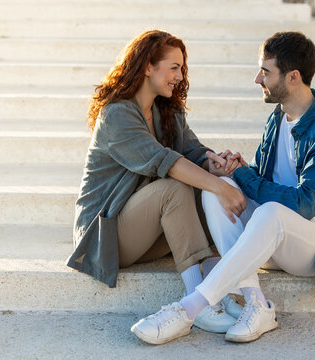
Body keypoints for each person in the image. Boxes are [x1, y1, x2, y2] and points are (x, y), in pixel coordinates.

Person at [131, 31, 315, 345]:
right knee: (217, 189)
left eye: (266, 72)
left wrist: (246, 178)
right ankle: (257, 304)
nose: (257, 79)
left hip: (314, 248)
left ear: (293, 77)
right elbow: (262, 180)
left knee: (272, 212)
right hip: (269, 238)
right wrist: (235, 172)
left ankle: (189, 308)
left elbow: (305, 204)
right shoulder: (278, 118)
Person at [66, 30, 248, 334]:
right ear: (148, 66)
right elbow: (164, 162)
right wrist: (218, 186)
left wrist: (214, 163)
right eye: (173, 67)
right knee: (177, 187)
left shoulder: (167, 109)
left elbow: (191, 151)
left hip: (151, 224)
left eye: (182, 68)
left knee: (201, 191)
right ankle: (197, 300)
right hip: (109, 233)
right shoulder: (116, 115)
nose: (179, 75)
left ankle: (216, 292)